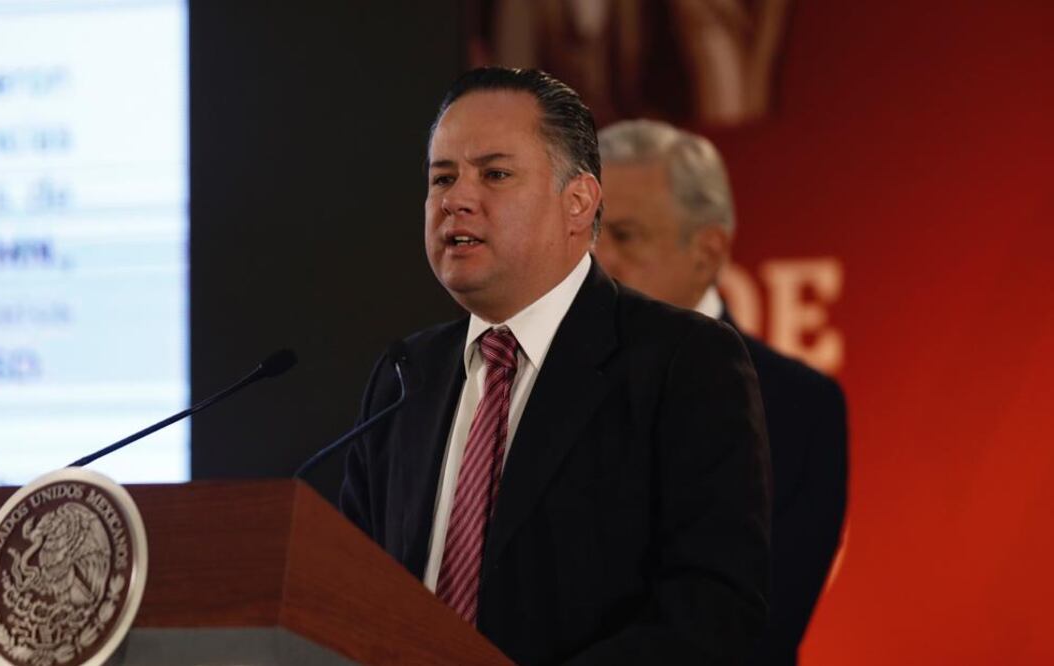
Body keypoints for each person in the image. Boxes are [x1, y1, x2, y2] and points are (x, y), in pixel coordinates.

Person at [340, 68, 770, 665]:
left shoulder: (683, 361)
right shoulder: (406, 375)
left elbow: (713, 612)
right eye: (442, 177)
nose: (456, 199)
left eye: (495, 174)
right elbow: (348, 595)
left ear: (578, 202)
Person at [594, 119, 848, 665]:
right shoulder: (540, 381)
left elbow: (758, 625)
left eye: (625, 235)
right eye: (589, 234)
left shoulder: (798, 406)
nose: (597, 259)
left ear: (707, 252)